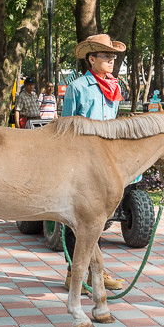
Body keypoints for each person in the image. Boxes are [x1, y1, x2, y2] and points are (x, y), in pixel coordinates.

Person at [61, 33, 126, 292]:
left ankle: (93, 271)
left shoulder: (114, 87)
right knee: (75, 218)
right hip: (81, 161)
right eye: (106, 56)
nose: (111, 60)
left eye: (113, 57)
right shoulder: (77, 87)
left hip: (105, 161)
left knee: (97, 219)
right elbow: (66, 127)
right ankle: (74, 271)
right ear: (91, 59)